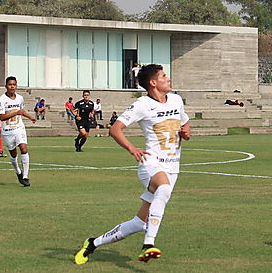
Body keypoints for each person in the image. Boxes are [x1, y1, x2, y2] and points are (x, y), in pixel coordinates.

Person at [74, 63, 190, 265]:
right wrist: (132, 149)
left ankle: (93, 243)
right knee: (162, 188)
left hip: (173, 166)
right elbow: (115, 129)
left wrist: (185, 132)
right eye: (164, 76)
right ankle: (148, 244)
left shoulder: (176, 100)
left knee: (139, 222)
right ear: (153, 83)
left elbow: (184, 122)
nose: (168, 79)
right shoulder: (142, 104)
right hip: (150, 162)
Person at [0, 76, 37, 187]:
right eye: (10, 84)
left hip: (19, 128)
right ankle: (18, 172)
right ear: (6, 86)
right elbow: (2, 117)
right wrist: (15, 113)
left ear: (16, 86)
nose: (12, 86)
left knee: (24, 148)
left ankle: (25, 176)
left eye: (14, 84)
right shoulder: (2, 100)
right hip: (7, 130)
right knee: (13, 154)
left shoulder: (20, 98)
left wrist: (30, 117)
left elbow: (21, 111)